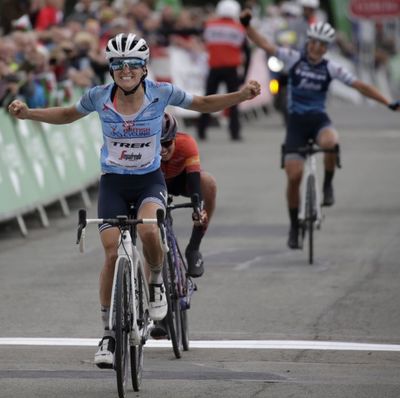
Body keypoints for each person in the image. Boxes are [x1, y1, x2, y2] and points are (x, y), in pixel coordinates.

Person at [8, 32, 261, 367]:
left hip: (148, 181)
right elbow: (68, 114)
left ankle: (155, 282)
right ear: (111, 69)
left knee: (149, 230)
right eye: (118, 64)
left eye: (132, 64)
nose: (125, 69)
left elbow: (201, 104)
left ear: (144, 68)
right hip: (113, 184)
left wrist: (240, 96)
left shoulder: (161, 93)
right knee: (112, 254)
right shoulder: (99, 96)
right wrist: (29, 114)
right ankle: (109, 335)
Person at [239, 11, 400, 249]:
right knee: (294, 177)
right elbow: (265, 44)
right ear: (308, 42)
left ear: (326, 48)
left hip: (318, 120)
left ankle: (327, 185)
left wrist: (388, 102)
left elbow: (361, 86)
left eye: (323, 45)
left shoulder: (331, 67)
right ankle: (294, 227)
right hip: (296, 123)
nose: (317, 48)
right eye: (314, 42)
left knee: (331, 142)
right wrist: (247, 25)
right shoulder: (293, 58)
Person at [160, 112, 216, 278]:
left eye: (167, 143)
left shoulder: (186, 143)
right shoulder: (145, 148)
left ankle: (194, 248)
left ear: (174, 138)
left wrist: (197, 208)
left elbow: (194, 180)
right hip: (157, 181)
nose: (163, 149)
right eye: (158, 144)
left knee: (209, 183)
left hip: (180, 180)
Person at [197, 0, 250, 141]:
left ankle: (201, 131)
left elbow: (205, 43)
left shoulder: (209, 26)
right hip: (231, 69)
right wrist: (244, 74)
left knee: (206, 101)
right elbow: (247, 52)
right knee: (234, 101)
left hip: (214, 68)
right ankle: (235, 133)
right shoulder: (239, 28)